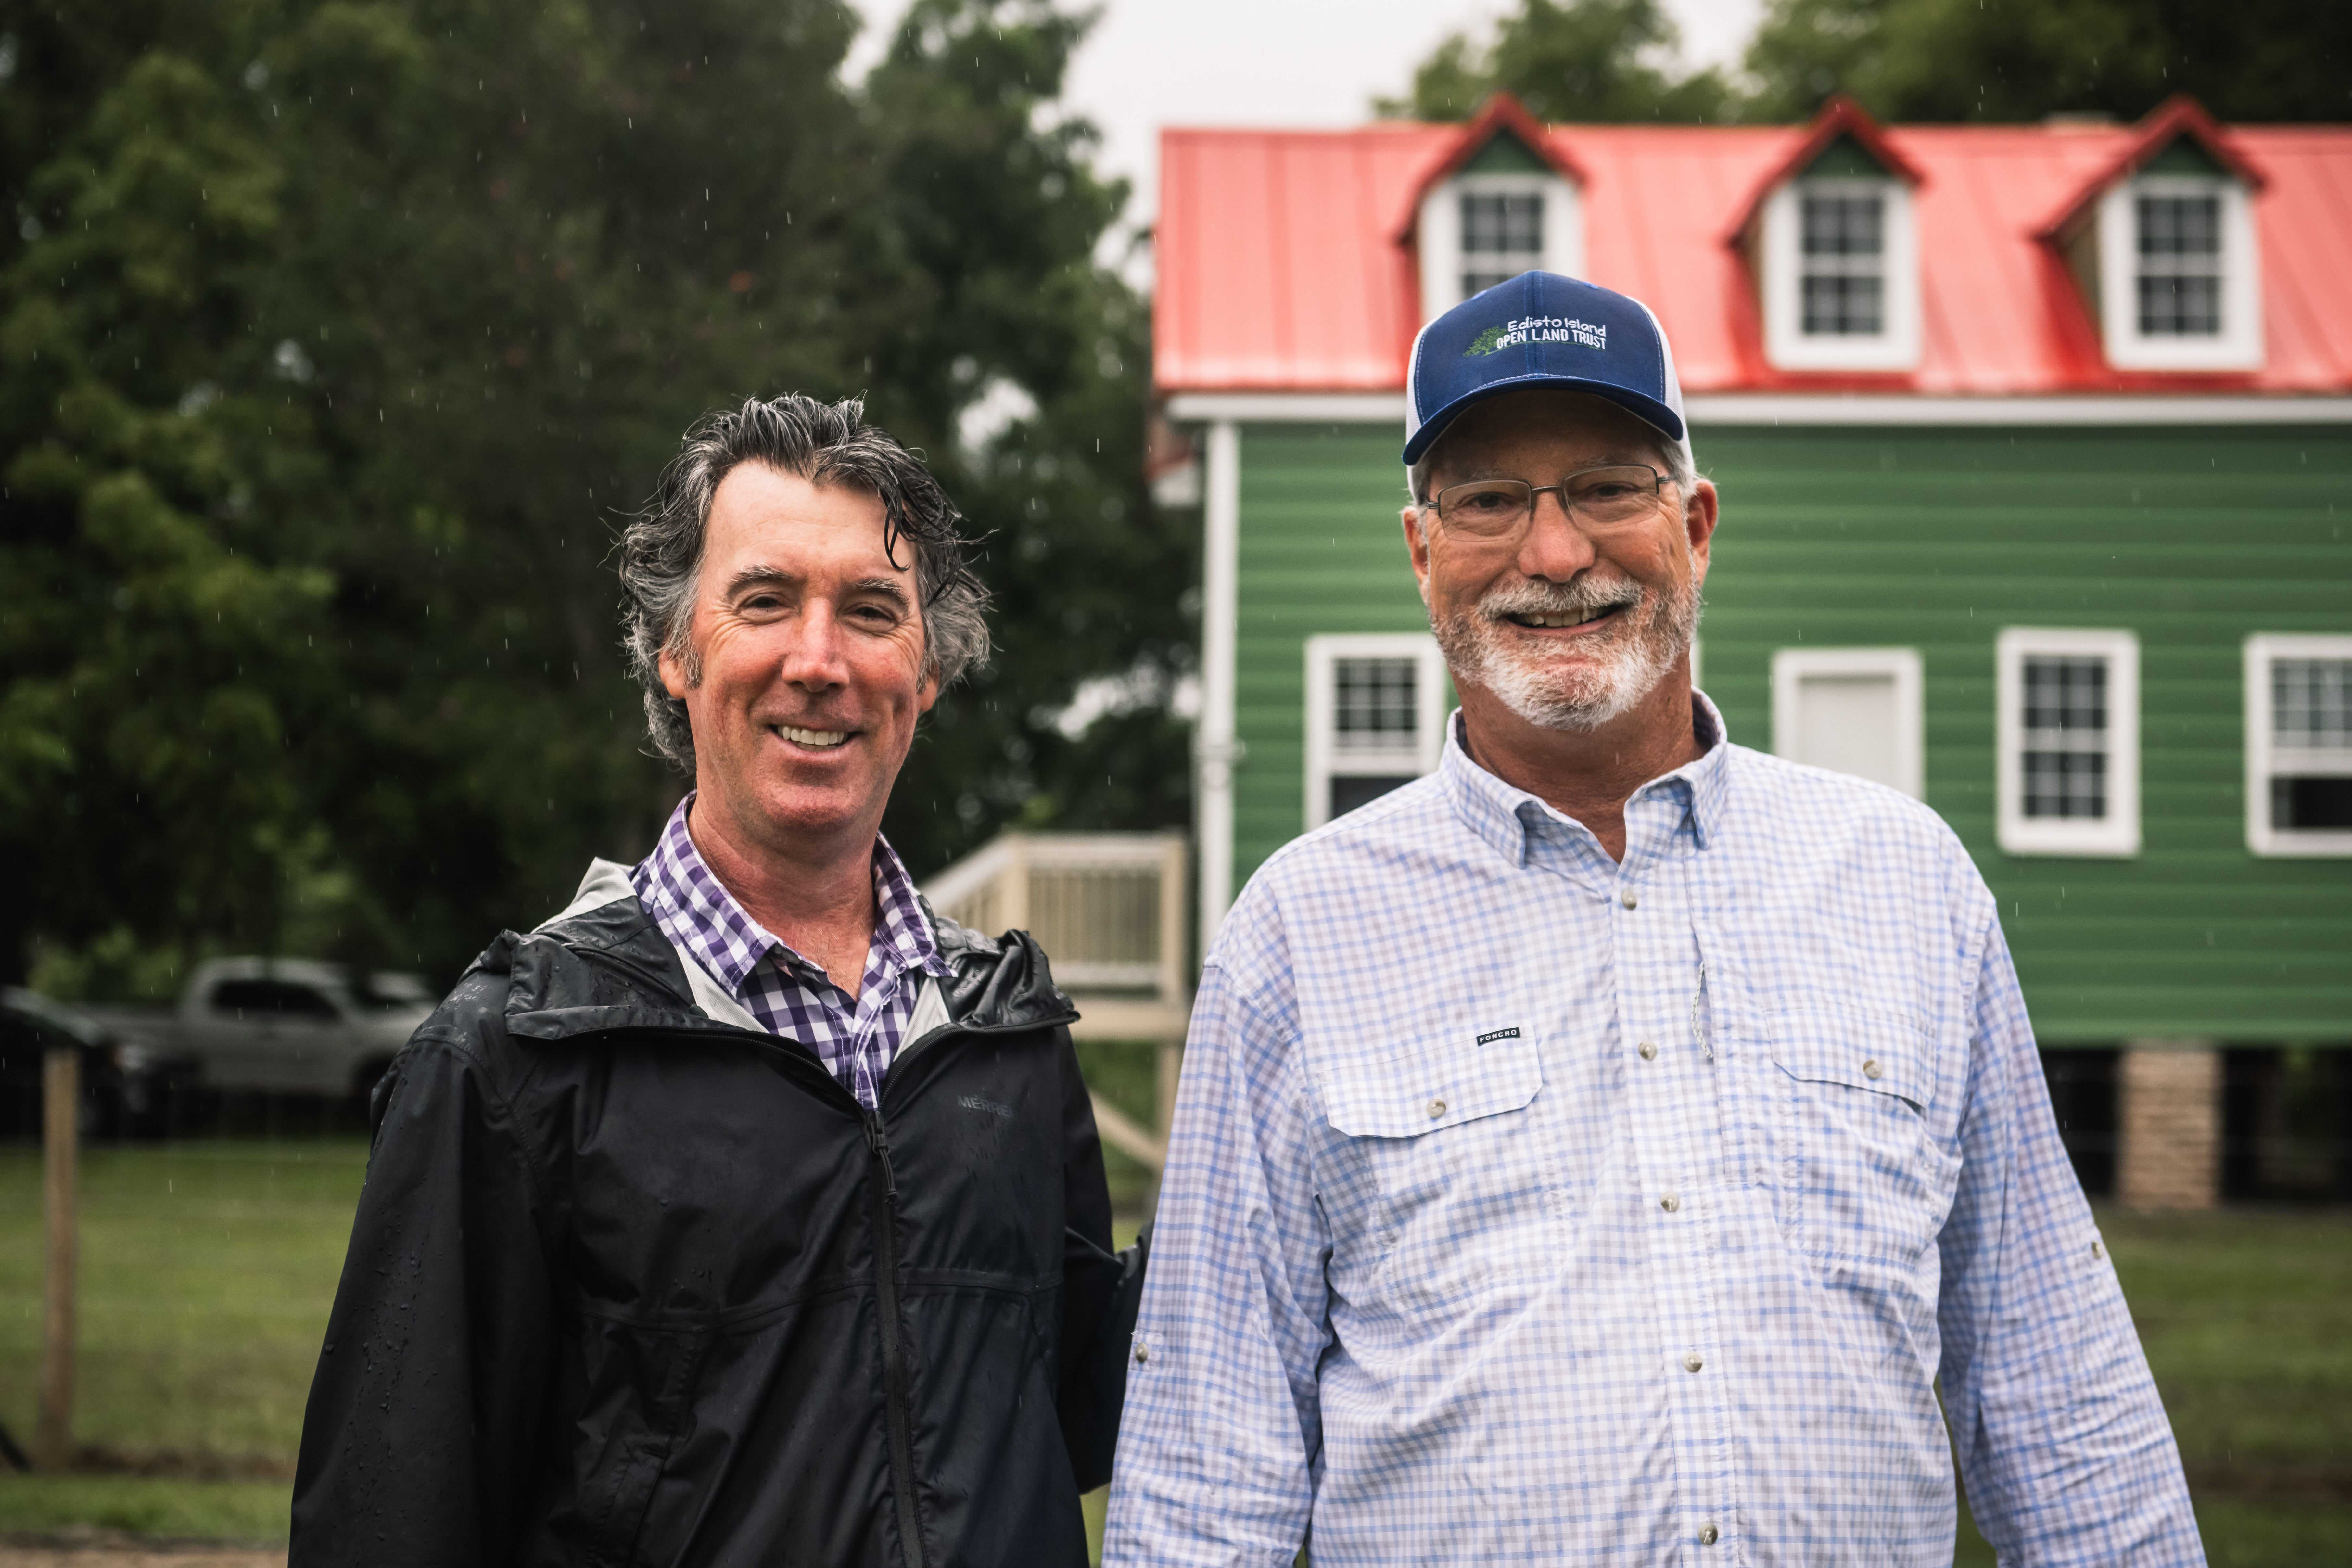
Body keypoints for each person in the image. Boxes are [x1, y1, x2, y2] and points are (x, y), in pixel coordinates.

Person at [1103, 273, 2203, 1565]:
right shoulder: (1295, 934)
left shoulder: (1906, 884)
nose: (1553, 552)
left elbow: (2052, 1385)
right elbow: (1205, 1460)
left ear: (1694, 523)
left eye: (1606, 489)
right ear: (1420, 551)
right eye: (1488, 500)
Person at [292, 395, 1141, 1567]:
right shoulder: (513, 1057)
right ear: (675, 652)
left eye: (871, 611)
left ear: (927, 669)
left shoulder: (1005, 1035)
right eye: (764, 601)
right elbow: (390, 1516)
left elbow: (1068, 1420)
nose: (817, 659)